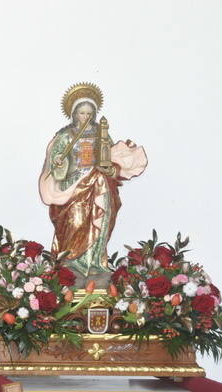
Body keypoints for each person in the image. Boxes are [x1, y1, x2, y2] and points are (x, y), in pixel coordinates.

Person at [38, 83, 146, 278]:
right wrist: (59, 162)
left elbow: (111, 159)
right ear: (74, 114)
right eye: (81, 113)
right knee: (75, 223)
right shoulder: (64, 136)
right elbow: (55, 168)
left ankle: (95, 263)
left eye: (89, 113)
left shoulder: (101, 134)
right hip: (72, 189)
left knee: (99, 221)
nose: (85, 117)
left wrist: (110, 168)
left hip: (99, 187)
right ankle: (71, 266)